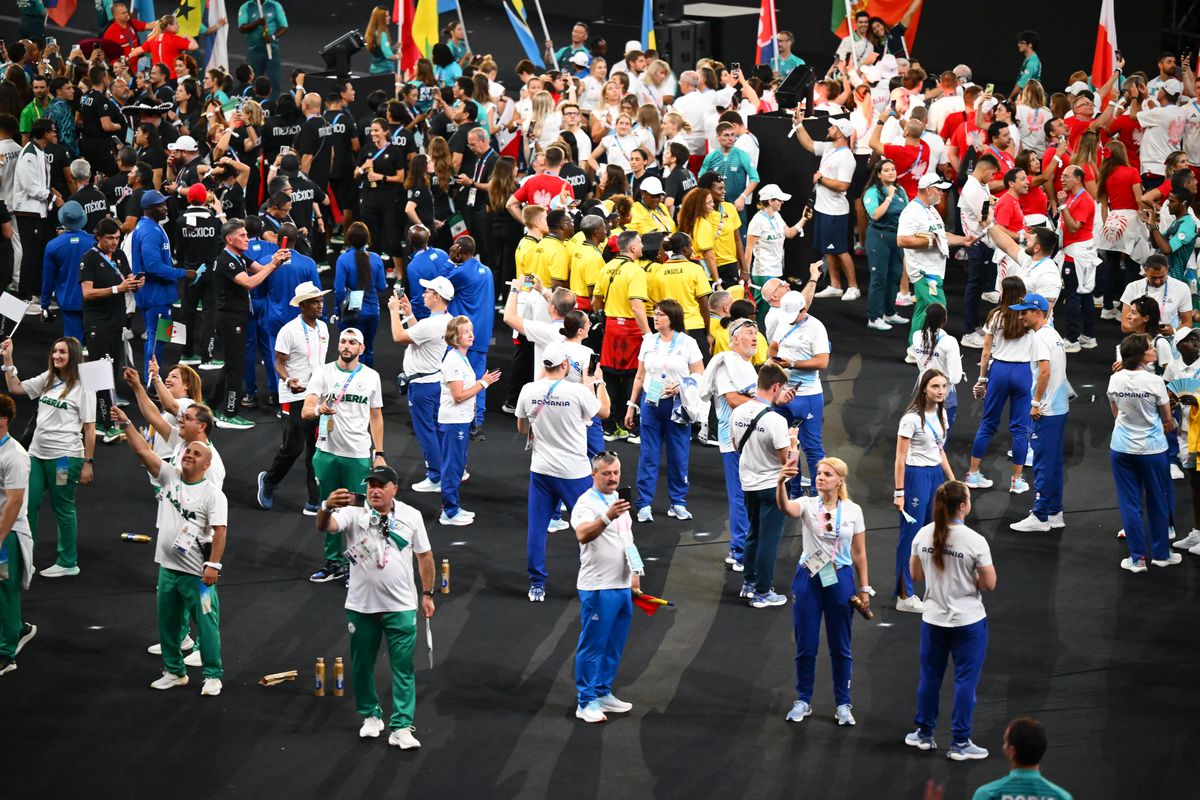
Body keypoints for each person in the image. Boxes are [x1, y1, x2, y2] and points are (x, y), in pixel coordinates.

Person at [110, 404, 226, 697]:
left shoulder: (213, 494)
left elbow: (221, 532)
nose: (188, 455)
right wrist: (126, 424)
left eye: (196, 454)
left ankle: (212, 674)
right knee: (168, 623)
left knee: (207, 623)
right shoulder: (170, 476)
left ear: (206, 464)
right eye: (187, 452)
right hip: (168, 568)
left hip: (198, 574)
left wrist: (214, 566)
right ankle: (174, 671)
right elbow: (143, 452)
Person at [316, 465, 435, 750]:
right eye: (371, 484)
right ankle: (371, 715)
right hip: (361, 605)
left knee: (403, 668)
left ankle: (402, 726)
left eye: (381, 485)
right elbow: (326, 527)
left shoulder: (411, 516)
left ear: (395, 488)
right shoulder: (354, 512)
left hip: (401, 605)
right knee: (361, 665)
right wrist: (326, 507)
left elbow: (425, 556)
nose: (374, 490)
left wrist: (428, 594)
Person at [776, 454, 870, 725]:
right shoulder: (806, 504)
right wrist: (780, 482)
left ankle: (843, 703)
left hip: (840, 579)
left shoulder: (853, 511)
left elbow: (860, 553)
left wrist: (864, 588)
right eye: (818, 473)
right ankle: (803, 699)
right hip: (809, 577)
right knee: (806, 643)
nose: (820, 477)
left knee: (841, 645)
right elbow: (785, 508)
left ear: (840, 480)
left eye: (827, 474)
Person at [906, 480, 996, 760]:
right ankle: (959, 742)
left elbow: (916, 576)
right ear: (962, 506)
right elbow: (990, 583)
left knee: (930, 677)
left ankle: (923, 733)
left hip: (934, 619)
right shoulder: (974, 541)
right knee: (965, 681)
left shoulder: (922, 535)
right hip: (968, 622)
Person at [515, 343, 609, 602]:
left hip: (542, 469)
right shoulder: (577, 391)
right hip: (574, 472)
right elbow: (604, 412)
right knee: (590, 527)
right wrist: (599, 384)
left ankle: (536, 584)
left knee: (537, 528)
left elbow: (523, 428)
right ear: (565, 365)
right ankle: (595, 580)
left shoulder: (528, 390)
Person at [0, 337, 95, 579]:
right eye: (54, 351)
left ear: (73, 355)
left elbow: (90, 429)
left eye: (62, 352)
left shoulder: (85, 387)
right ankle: (26, 556)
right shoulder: (48, 378)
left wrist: (88, 463)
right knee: (25, 505)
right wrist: (8, 358)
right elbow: (16, 389)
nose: (56, 356)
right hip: (36, 454)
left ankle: (68, 561)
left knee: (62, 507)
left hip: (65, 458)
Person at [303, 328, 387, 584]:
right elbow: (306, 410)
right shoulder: (323, 373)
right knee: (328, 507)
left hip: (358, 454)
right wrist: (319, 408)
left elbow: (376, 415)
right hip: (327, 453)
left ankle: (357, 565)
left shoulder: (372, 377)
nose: (346, 346)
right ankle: (333, 562)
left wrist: (379, 452)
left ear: (361, 349)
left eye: (352, 342)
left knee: (360, 513)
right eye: (343, 341)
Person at [569, 451, 639, 723]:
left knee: (613, 644)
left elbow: (627, 537)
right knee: (593, 644)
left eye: (616, 472)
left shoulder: (617, 500)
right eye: (607, 474)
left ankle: (602, 692)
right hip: (598, 587)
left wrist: (636, 572)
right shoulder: (586, 503)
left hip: (621, 584)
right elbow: (583, 534)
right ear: (593, 475)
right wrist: (607, 517)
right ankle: (584, 701)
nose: (613, 478)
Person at [624, 299, 704, 523]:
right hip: (650, 402)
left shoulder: (687, 342)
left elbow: (700, 373)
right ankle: (644, 504)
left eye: (661, 315)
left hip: (676, 404)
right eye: (655, 314)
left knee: (678, 455)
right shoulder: (649, 341)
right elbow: (640, 376)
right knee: (648, 454)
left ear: (673, 318)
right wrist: (632, 405)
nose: (656, 318)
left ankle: (677, 502)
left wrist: (682, 385)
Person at [258, 282, 331, 516]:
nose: (320, 305)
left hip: (316, 396)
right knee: (293, 447)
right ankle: (269, 482)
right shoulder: (288, 331)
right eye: (315, 301)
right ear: (302, 305)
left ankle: (314, 499)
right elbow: (278, 362)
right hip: (293, 395)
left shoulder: (324, 329)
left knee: (316, 448)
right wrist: (289, 380)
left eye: (321, 300)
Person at [1108, 334, 1178, 572]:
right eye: (1150, 347)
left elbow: (1115, 413)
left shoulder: (1115, 379)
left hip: (1121, 447)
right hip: (1152, 449)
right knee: (1158, 500)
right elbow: (1167, 419)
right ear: (1140, 355)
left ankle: (1137, 558)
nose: (1154, 349)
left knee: (1130, 502)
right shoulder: (1155, 381)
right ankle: (1161, 555)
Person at [212, 219, 290, 428]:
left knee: (232, 363)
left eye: (246, 234)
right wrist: (272, 265)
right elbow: (248, 283)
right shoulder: (226, 260)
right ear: (230, 239)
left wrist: (276, 261)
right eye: (242, 236)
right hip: (230, 318)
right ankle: (229, 412)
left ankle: (211, 404)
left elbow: (261, 270)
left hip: (236, 316)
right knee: (236, 366)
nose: (247, 239)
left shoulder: (239, 256)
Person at [732, 362, 797, 608]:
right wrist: (793, 441)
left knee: (754, 534)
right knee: (769, 539)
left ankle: (748, 583)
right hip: (773, 486)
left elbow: (737, 446)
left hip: (748, 483)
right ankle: (762, 591)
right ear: (776, 387)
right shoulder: (776, 421)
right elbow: (788, 464)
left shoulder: (738, 411)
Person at [893, 369, 956, 613]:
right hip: (915, 477)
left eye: (943, 387)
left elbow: (939, 450)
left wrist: (951, 480)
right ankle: (904, 594)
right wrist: (899, 492)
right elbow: (899, 458)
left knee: (933, 533)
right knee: (910, 537)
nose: (941, 391)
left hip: (935, 476)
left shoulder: (941, 414)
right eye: (935, 387)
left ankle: (932, 588)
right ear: (924, 389)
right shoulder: (910, 419)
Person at [700, 317, 760, 571]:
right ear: (734, 338)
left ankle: (746, 547)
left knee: (750, 496)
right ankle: (738, 551)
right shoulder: (727, 364)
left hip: (751, 439)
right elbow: (734, 399)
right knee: (740, 497)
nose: (755, 336)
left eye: (756, 332)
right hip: (733, 441)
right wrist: (768, 403)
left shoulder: (745, 366)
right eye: (749, 332)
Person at [1008, 294, 1069, 533]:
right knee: (1053, 462)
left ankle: (1041, 515)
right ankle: (1054, 512)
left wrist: (1035, 402)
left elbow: (1044, 372)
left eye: (1025, 311)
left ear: (1037, 312)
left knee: (1043, 463)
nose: (1021, 316)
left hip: (1046, 409)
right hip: (1059, 407)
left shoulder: (1040, 338)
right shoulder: (1054, 335)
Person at [389, 276, 454, 494]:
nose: (423, 294)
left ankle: (435, 476)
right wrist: (408, 314)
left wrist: (393, 311)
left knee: (426, 432)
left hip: (421, 387)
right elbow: (421, 336)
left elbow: (399, 337)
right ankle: (445, 471)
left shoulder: (431, 324)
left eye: (427, 291)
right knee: (435, 430)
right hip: (433, 381)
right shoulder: (446, 319)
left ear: (437, 296)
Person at [437, 316, 501, 526]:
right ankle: (449, 511)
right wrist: (484, 382)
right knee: (452, 466)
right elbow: (459, 395)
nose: (471, 335)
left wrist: (480, 381)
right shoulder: (454, 360)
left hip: (460, 420)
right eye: (466, 332)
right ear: (455, 337)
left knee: (457, 465)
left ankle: (453, 507)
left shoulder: (461, 357)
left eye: (471, 331)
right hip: (454, 421)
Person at [898, 174, 975, 348]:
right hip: (924, 271)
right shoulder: (912, 212)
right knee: (939, 308)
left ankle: (914, 348)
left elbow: (941, 235)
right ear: (928, 189)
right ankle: (931, 346)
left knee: (922, 311)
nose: (942, 193)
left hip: (933, 268)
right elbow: (902, 240)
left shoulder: (931, 209)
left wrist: (963, 240)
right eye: (939, 189)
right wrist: (931, 241)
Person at [767, 290, 829, 497]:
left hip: (808, 395)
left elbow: (822, 361)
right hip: (781, 394)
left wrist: (792, 364)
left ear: (804, 309)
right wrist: (772, 361)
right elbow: (773, 345)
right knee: (785, 445)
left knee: (812, 448)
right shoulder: (783, 320)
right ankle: (794, 491)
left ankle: (818, 492)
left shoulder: (816, 327)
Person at [792, 117, 860, 299]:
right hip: (823, 208)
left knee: (840, 249)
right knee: (828, 249)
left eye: (833, 126)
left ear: (841, 132)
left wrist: (821, 178)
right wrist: (798, 124)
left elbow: (843, 185)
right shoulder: (830, 148)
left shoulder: (847, 157)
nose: (829, 128)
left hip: (835, 211)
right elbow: (808, 144)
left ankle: (853, 286)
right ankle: (835, 285)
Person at [593, 231, 651, 441]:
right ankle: (633, 428)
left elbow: (596, 300)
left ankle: (609, 426)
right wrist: (648, 334)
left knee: (609, 374)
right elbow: (637, 307)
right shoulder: (635, 271)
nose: (643, 247)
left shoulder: (607, 267)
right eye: (641, 243)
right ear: (633, 248)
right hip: (630, 330)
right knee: (632, 377)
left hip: (610, 327)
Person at [133, 190, 190, 381]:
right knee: (156, 338)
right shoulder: (150, 231)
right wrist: (182, 273)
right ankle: (152, 381)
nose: (165, 207)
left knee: (161, 338)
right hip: (155, 294)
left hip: (158, 294)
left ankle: (153, 379)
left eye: (165, 203)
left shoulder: (150, 226)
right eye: (160, 205)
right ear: (149, 209)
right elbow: (153, 266)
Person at [0, 393, 35, 676]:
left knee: (4, 591)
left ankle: (6, 654)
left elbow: (13, 502)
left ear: (3, 421)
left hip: (7, 533)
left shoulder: (15, 456)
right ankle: (19, 627)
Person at [972, 717, 1073, 800]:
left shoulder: (988, 794)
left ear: (1012, 751)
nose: (1004, 746)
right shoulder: (1061, 797)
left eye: (1005, 742)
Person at [862, 159, 910, 330]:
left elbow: (908, 211)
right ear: (878, 174)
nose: (891, 172)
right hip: (878, 237)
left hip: (897, 238)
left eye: (893, 169)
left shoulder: (901, 190)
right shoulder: (873, 192)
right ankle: (874, 317)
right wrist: (889, 197)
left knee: (895, 276)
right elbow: (875, 214)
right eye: (887, 170)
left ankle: (889, 313)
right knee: (879, 277)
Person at [746, 185, 808, 311]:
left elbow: (789, 233)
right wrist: (746, 275)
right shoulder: (757, 221)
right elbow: (748, 249)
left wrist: (804, 219)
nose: (782, 202)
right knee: (761, 310)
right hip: (763, 272)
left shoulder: (777, 216)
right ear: (770, 201)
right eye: (779, 200)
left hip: (776, 271)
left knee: (771, 309)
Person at [334, 222, 388, 367]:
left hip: (352, 311)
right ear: (367, 238)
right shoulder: (376, 258)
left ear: (348, 239)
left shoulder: (343, 260)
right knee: (368, 349)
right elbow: (382, 286)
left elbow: (339, 291)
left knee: (352, 350)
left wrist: (341, 310)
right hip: (372, 311)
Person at [39, 202, 93, 342]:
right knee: (95, 346)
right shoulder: (94, 242)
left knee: (73, 347)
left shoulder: (53, 245)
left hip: (68, 301)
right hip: (93, 299)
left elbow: (48, 279)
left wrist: (44, 305)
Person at [912, 304, 964, 429]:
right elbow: (956, 378)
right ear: (944, 319)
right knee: (942, 433)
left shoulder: (917, 336)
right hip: (943, 393)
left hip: (923, 387)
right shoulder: (949, 342)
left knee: (922, 429)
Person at [238, 0, 288, 100]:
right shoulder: (246, 7)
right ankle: (254, 108)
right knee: (253, 82)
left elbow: (284, 26)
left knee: (274, 82)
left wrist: (273, 37)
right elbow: (242, 28)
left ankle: (272, 107)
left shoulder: (274, 6)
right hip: (254, 52)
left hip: (272, 52)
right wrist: (258, 23)